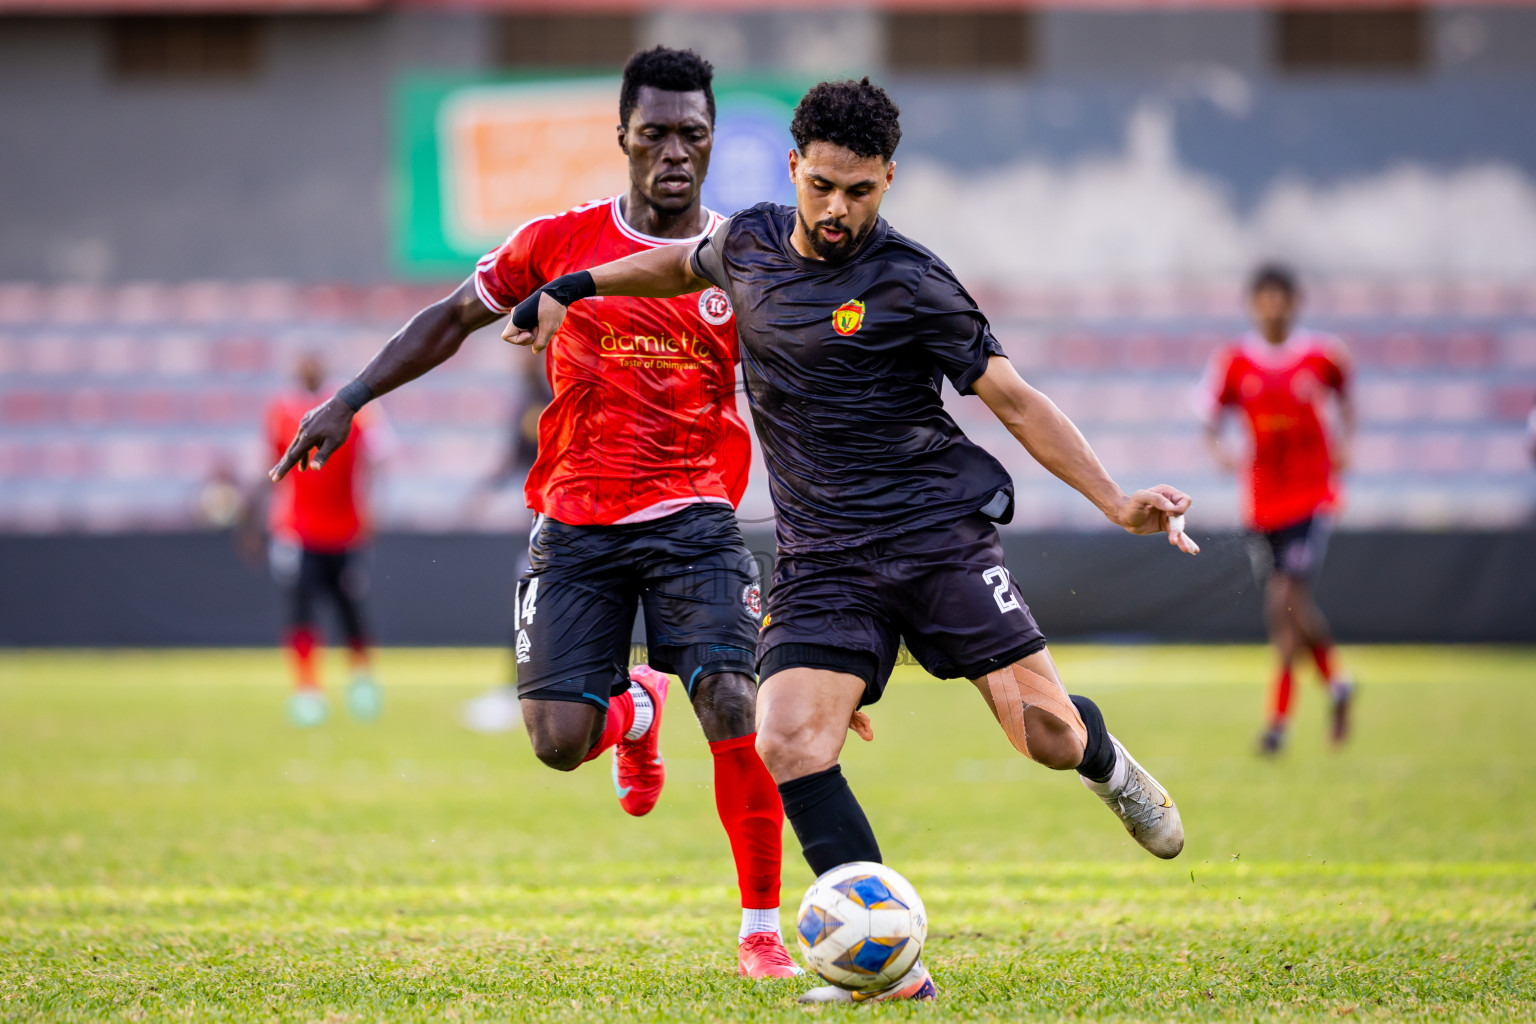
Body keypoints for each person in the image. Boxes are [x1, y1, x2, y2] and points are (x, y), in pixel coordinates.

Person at [506, 77, 1198, 1004]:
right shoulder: (746, 242)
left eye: (860, 191)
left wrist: (1116, 501)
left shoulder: (913, 281)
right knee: (786, 739)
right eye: (823, 185)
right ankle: (888, 964)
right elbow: (678, 267)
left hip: (934, 541)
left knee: (1044, 733)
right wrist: (577, 284)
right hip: (823, 560)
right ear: (794, 168)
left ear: (888, 182)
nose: (837, 210)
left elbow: (1014, 400)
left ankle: (1107, 762)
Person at [268, 47, 799, 980]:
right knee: (558, 743)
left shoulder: (745, 257)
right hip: (577, 522)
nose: (676, 152)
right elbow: (448, 317)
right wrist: (351, 398)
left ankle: (762, 930)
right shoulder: (556, 242)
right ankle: (633, 712)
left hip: (695, 519)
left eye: (695, 135)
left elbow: (792, 409)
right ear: (623, 137)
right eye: (657, 134)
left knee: (731, 700)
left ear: (713, 143)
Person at [1199, 265, 1356, 756]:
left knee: (1282, 602)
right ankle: (1338, 683)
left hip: (1310, 498)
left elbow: (1347, 402)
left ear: (1293, 302)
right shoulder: (1234, 362)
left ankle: (1277, 724)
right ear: (1253, 304)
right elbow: (1208, 417)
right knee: (1292, 607)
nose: (1271, 306)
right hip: (1261, 502)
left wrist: (1345, 444)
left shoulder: (1322, 356)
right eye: (1263, 298)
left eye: (1279, 298)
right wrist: (1220, 452)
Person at [258, 353, 389, 727]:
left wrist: (372, 507)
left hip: (346, 531)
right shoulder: (281, 412)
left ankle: (362, 683)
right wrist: (263, 520)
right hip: (298, 531)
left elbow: (379, 458)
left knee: (351, 609)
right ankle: (307, 690)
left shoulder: (358, 411)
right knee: (301, 610)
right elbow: (270, 467)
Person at [460, 350, 553, 736]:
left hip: (563, 517)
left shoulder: (552, 396)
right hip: (542, 518)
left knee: (532, 601)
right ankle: (522, 688)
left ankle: (522, 690)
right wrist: (484, 489)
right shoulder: (528, 404)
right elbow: (516, 456)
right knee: (529, 601)